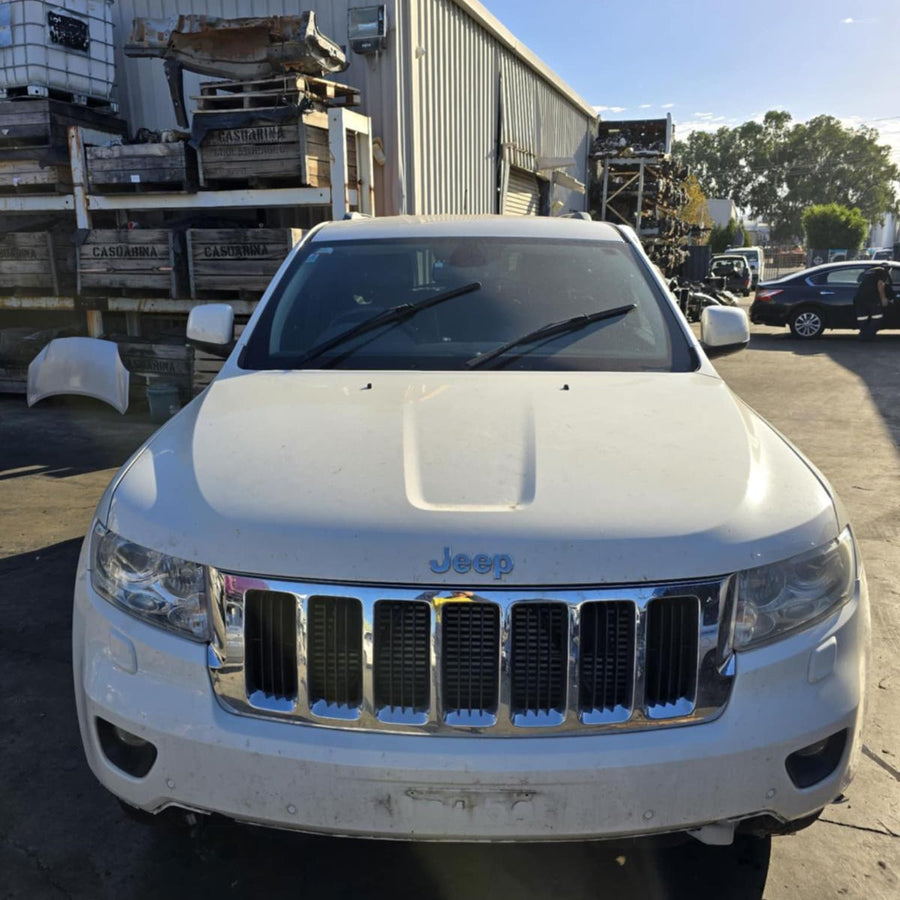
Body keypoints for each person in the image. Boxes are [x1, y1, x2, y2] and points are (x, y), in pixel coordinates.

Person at [853, 265, 892, 341]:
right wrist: (883, 298)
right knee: (877, 317)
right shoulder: (882, 271)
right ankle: (868, 335)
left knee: (862, 318)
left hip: (859, 298)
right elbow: (880, 284)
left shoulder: (868, 272)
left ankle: (863, 336)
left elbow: (859, 281)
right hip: (872, 298)